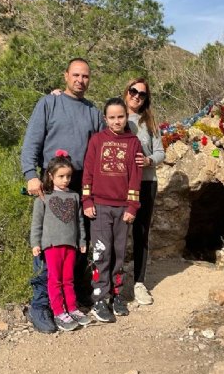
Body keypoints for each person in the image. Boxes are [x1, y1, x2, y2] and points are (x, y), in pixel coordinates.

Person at [21, 58, 105, 334]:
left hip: (81, 184)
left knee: (76, 246)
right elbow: (32, 141)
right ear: (66, 76)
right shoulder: (49, 103)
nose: (81, 80)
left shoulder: (93, 111)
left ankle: (70, 303)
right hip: (52, 182)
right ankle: (40, 305)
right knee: (49, 248)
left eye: (86, 76)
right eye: (76, 75)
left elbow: (104, 142)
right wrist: (30, 174)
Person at [82, 98, 142, 322]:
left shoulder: (133, 142)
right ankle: (99, 297)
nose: (117, 121)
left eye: (121, 117)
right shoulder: (97, 141)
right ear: (105, 119)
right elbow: (88, 172)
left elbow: (136, 177)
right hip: (99, 207)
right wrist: (87, 201)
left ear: (127, 117)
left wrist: (132, 206)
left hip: (123, 209)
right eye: (112, 117)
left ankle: (116, 295)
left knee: (118, 253)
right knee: (101, 253)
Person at [30, 152, 91, 331]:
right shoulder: (43, 198)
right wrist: (35, 243)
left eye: (68, 176)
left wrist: (82, 240)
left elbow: (79, 222)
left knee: (69, 278)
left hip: (70, 245)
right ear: (50, 176)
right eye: (61, 176)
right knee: (55, 279)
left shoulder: (74, 196)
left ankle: (72, 308)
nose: (65, 180)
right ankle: (58, 311)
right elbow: (36, 224)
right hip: (52, 246)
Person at [123, 78, 165, 306]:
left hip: (146, 182)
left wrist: (148, 160)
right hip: (119, 185)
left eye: (142, 94)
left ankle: (139, 283)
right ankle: (111, 284)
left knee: (141, 234)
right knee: (116, 234)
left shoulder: (149, 122)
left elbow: (161, 152)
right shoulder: (113, 115)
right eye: (133, 91)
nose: (137, 96)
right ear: (126, 91)